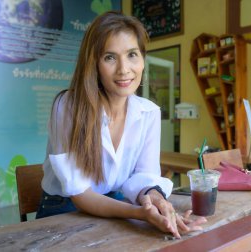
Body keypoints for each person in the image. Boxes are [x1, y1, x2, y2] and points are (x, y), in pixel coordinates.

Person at [36, 11, 206, 238]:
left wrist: (155, 200)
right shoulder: (67, 107)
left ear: (143, 60)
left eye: (132, 55)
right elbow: (79, 193)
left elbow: (144, 176)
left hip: (116, 203)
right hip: (64, 209)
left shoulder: (149, 112)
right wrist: (141, 214)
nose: (124, 69)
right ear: (93, 64)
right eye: (110, 57)